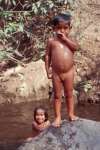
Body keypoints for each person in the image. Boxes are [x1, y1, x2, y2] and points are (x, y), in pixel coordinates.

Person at [45, 12, 79, 127]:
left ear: (70, 28)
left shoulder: (70, 40)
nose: (62, 31)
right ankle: (58, 117)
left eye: (65, 28)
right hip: (56, 73)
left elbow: (75, 48)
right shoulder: (51, 41)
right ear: (54, 28)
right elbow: (47, 56)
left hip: (69, 72)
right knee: (57, 96)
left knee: (69, 94)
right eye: (59, 28)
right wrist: (47, 69)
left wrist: (65, 39)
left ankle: (71, 114)